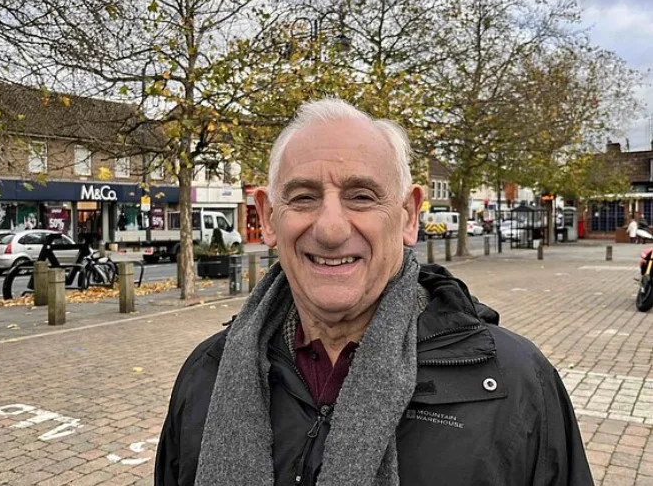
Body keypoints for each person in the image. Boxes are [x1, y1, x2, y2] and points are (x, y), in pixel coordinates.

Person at [155, 99, 593, 486]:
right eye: (304, 197)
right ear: (268, 217)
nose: (330, 229)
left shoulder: (516, 383)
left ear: (407, 216)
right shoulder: (206, 375)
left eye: (361, 197)